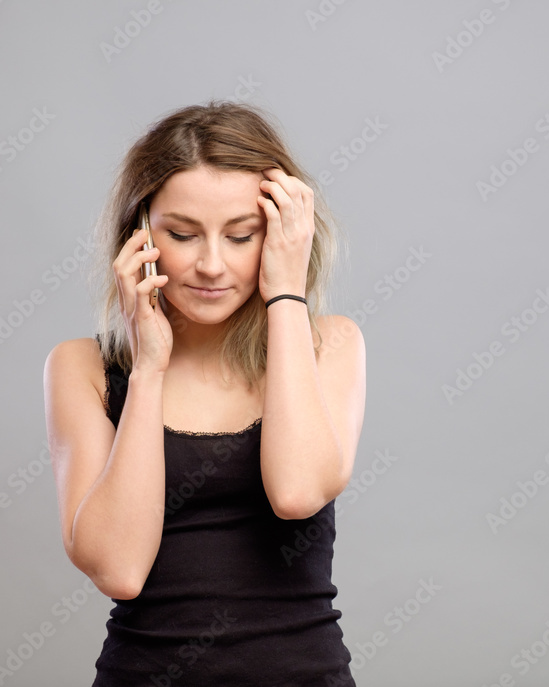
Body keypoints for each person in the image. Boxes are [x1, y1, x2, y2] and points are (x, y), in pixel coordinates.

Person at [43, 100, 366, 686]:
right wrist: (147, 370)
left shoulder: (329, 346)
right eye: (183, 234)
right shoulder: (82, 367)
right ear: (140, 235)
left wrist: (286, 295)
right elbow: (120, 570)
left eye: (241, 236)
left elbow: (296, 492)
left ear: (279, 235)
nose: (212, 264)